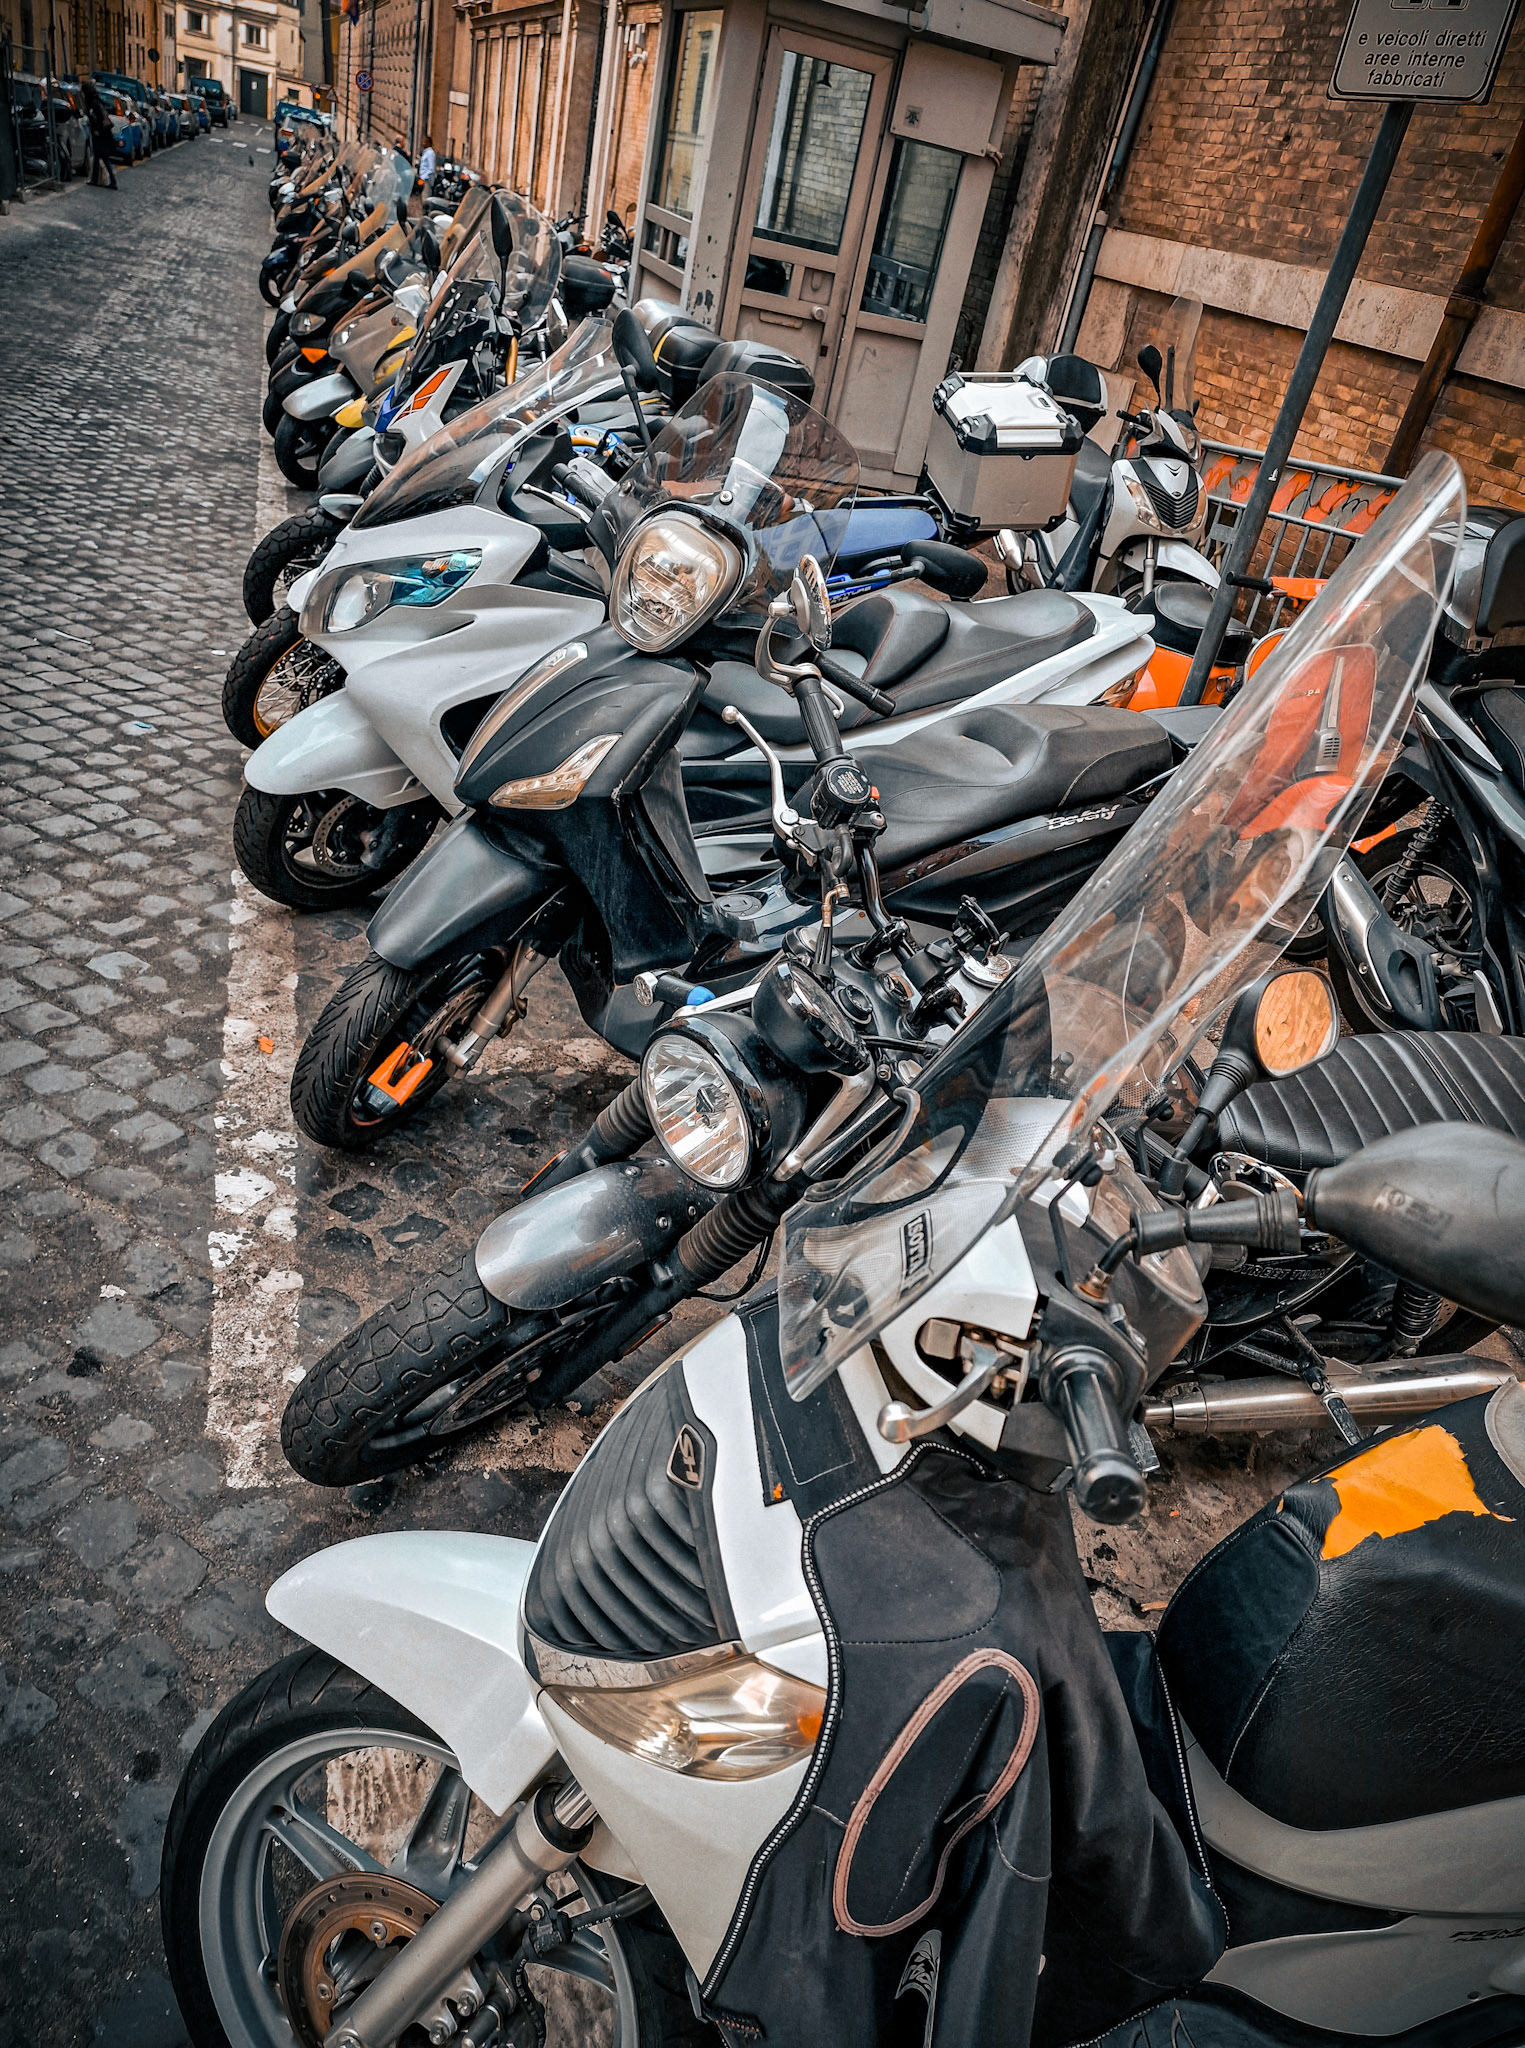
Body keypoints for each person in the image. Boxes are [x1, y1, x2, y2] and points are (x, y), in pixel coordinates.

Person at [82, 79, 118, 188]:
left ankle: (111, 181)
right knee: (99, 157)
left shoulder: (93, 103)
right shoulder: (97, 101)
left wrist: (96, 129)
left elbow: (97, 118)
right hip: (103, 132)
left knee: (103, 157)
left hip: (100, 133)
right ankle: (96, 179)